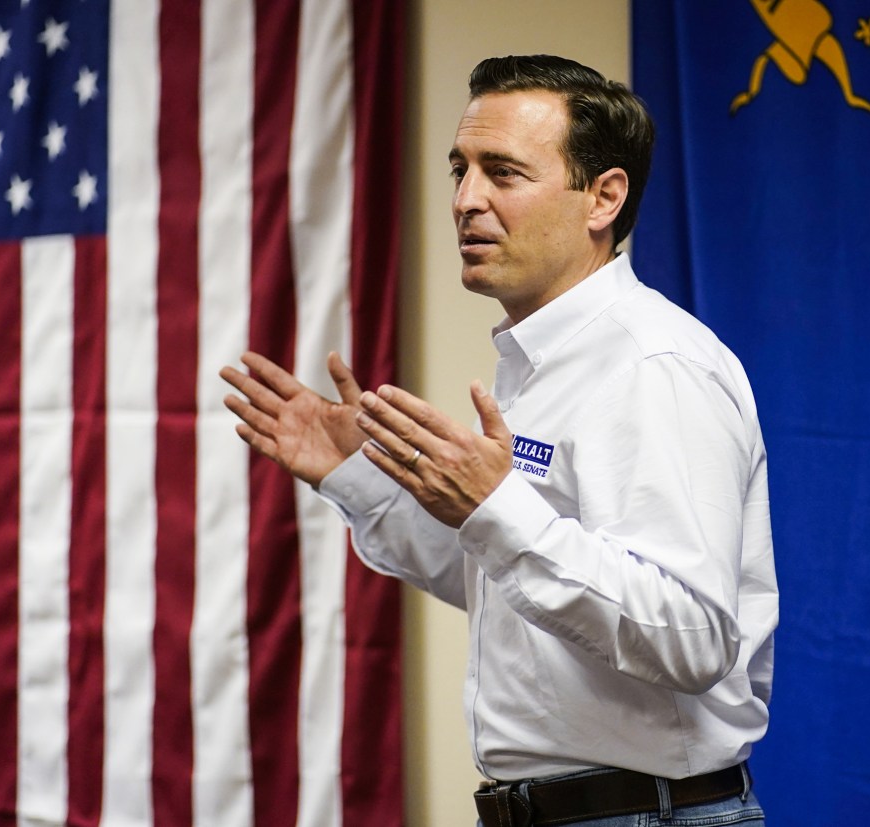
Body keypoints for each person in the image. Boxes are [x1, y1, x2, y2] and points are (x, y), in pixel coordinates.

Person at [221, 54, 777, 827]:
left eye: (503, 172)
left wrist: (501, 509)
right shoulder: (538, 361)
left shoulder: (655, 364)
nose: (465, 200)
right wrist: (355, 474)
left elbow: (692, 636)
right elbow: (514, 585)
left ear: (603, 198)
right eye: (460, 169)